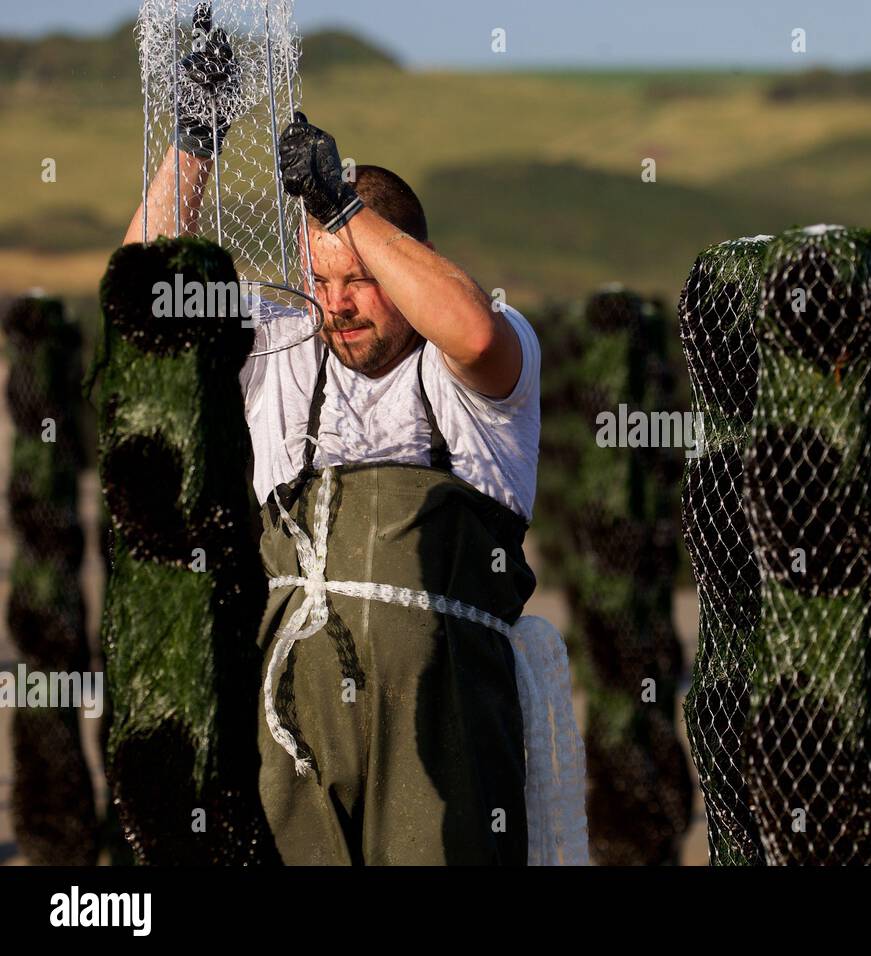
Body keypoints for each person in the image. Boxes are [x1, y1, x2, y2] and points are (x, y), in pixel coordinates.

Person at [121, 5, 555, 865]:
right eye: (322, 278)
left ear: (407, 262)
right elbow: (141, 302)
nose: (338, 304)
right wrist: (197, 143)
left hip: (446, 728)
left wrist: (342, 205)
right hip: (289, 726)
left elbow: (467, 330)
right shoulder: (281, 343)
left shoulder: (476, 376)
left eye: (362, 279)